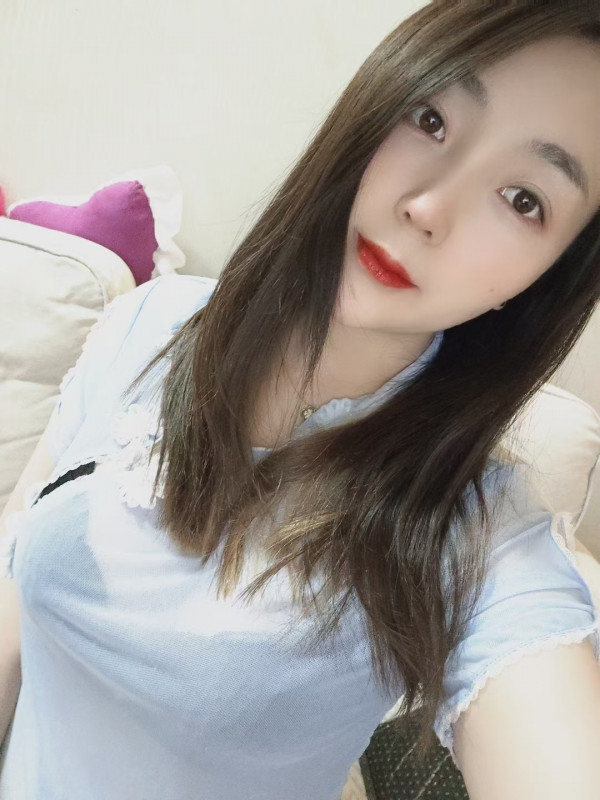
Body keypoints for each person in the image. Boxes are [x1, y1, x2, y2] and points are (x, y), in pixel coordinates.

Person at [2, 2, 600, 798]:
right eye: (431, 119)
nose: (428, 208)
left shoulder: (476, 539)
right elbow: (17, 570)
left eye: (523, 199)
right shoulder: (151, 323)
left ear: (549, 274)